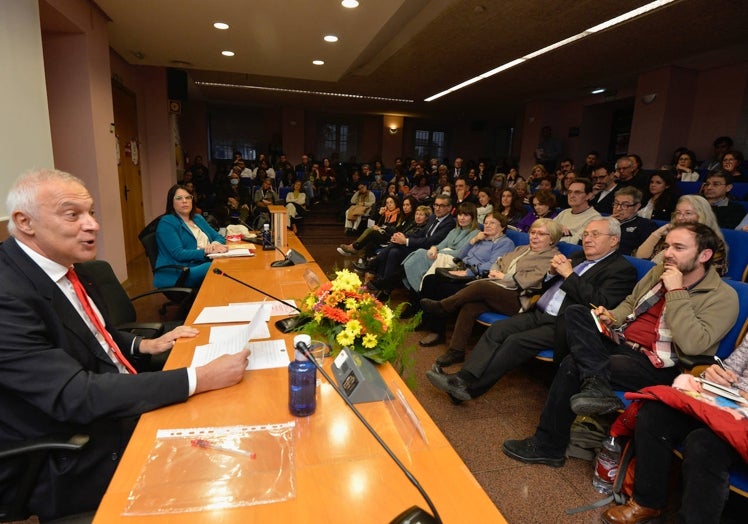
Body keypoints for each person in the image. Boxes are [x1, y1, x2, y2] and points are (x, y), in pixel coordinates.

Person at [0, 169, 250, 520]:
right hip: (75, 452)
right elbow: (75, 395)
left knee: (237, 428)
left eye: (91, 213)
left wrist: (142, 346)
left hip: (114, 404)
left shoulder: (66, 266)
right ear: (25, 222)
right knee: (224, 480)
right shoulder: (7, 295)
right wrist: (199, 378)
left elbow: (92, 331)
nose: (92, 225)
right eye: (73, 214)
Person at [502, 222, 738, 468]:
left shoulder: (722, 296)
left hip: (657, 363)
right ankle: (596, 384)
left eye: (678, 248)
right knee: (576, 313)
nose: (668, 254)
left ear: (704, 255)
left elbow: (693, 345)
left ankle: (549, 445)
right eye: (667, 246)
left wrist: (676, 290)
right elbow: (630, 303)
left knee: (574, 364)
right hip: (622, 341)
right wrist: (611, 316)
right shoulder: (658, 272)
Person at [426, 218, 637, 402]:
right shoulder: (580, 256)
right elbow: (545, 287)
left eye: (595, 235)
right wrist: (552, 273)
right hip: (540, 312)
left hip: (564, 324)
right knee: (497, 330)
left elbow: (599, 302)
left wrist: (569, 275)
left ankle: (470, 389)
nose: (588, 239)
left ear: (613, 240)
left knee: (515, 341)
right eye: (586, 234)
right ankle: (463, 379)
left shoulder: (621, 270)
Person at [601, 334, 748, 524]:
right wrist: (715, 374)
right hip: (731, 406)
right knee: (656, 411)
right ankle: (647, 503)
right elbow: (731, 369)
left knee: (703, 444)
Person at [419, 218, 562, 363]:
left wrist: (503, 276)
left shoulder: (551, 257)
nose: (534, 237)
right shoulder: (522, 249)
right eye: (532, 232)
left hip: (521, 299)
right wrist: (495, 271)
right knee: (470, 306)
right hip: (500, 290)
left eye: (541, 234)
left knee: (481, 287)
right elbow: (499, 261)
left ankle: (444, 306)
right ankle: (456, 351)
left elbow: (530, 281)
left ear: (552, 239)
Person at [410, 211, 514, 322]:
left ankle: (437, 331)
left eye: (492, 223)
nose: (487, 225)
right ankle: (424, 319)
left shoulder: (505, 243)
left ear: (502, 227)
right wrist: (473, 241)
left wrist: (467, 272)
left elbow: (491, 265)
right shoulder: (482, 238)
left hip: (476, 277)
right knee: (429, 279)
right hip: (461, 268)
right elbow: (461, 255)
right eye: (486, 223)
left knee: (442, 288)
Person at [364, 194, 456, 299]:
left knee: (395, 248)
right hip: (418, 247)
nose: (438, 208)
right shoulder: (433, 217)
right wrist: (402, 236)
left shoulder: (449, 223)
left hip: (429, 252)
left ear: (449, 208)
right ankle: (385, 289)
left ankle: (375, 268)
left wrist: (406, 241)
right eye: (436, 205)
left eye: (441, 206)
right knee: (394, 251)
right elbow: (421, 233)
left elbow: (431, 241)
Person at [155, 184, 228, 288]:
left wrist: (214, 245)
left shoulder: (198, 218)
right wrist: (207, 251)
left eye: (188, 197)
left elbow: (219, 237)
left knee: (231, 262)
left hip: (203, 262)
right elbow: (179, 254)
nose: (184, 201)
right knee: (219, 266)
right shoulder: (167, 222)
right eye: (179, 198)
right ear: (171, 202)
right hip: (181, 271)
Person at [338, 195, 402, 257]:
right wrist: (379, 213)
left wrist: (380, 228)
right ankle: (363, 260)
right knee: (370, 241)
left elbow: (394, 229)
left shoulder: (399, 214)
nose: (389, 204)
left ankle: (354, 247)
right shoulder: (385, 213)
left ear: (396, 203)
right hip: (381, 233)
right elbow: (373, 221)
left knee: (371, 232)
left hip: (389, 236)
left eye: (391, 202)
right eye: (387, 203)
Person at [610, 186, 658, 256]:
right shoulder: (606, 222)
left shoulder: (646, 226)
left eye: (625, 205)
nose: (618, 208)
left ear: (637, 207)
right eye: (616, 203)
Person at [553, 178, 601, 244]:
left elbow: (575, 242)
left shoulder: (595, 218)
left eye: (577, 192)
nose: (572, 196)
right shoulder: (564, 213)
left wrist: (556, 234)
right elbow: (547, 229)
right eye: (569, 192)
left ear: (588, 196)